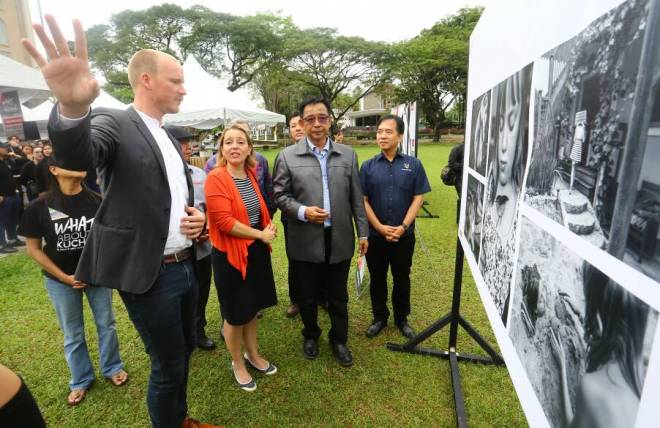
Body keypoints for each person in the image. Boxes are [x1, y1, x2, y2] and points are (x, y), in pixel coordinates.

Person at [23, 16, 217, 428]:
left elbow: (171, 194)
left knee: (182, 354)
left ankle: (180, 419)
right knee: (167, 366)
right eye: (176, 80)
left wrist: (196, 215)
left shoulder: (166, 135)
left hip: (186, 264)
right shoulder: (114, 122)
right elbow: (77, 159)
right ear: (145, 80)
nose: (184, 88)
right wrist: (73, 109)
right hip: (150, 275)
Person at [17, 155, 129, 406]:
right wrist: (64, 277)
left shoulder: (98, 201)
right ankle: (80, 379)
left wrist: (98, 269)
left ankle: (112, 367)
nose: (81, 165)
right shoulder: (39, 206)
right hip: (60, 282)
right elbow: (33, 248)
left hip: (97, 277)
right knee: (72, 332)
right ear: (54, 169)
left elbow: (110, 240)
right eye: (71, 161)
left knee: (107, 324)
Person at [273, 96, 368, 367]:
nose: (317, 124)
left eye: (322, 118)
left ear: (330, 120)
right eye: (310, 119)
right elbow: (280, 195)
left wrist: (363, 233)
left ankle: (339, 339)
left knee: (338, 296)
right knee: (308, 295)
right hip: (305, 238)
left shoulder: (347, 155)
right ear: (302, 123)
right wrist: (303, 211)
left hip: (339, 238)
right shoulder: (287, 157)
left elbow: (356, 197)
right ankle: (310, 334)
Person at [205, 125, 278, 392]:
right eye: (228, 142)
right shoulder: (216, 177)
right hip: (230, 257)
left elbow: (257, 211)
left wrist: (267, 227)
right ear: (222, 149)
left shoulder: (249, 175)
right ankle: (237, 363)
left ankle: (253, 354)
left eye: (240, 142)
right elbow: (224, 222)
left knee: (252, 309)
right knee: (236, 315)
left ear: (249, 148)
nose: (234, 146)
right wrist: (260, 234)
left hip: (255, 252)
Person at [550, 266, 651, 428]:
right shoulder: (645, 368)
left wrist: (561, 365)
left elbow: (568, 424)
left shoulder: (593, 388)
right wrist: (583, 317)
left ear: (598, 320)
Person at [359, 115, 431, 339]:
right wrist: (379, 227)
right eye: (379, 131)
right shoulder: (368, 166)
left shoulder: (413, 165)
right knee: (377, 277)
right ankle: (379, 317)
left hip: (404, 235)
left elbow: (418, 198)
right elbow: (363, 200)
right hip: (376, 235)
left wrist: (403, 226)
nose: (382, 135)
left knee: (402, 277)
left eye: (388, 132)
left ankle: (402, 318)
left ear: (400, 136)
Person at [479, 69, 529, 322]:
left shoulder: (525, 204)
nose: (504, 143)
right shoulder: (489, 180)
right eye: (499, 125)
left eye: (512, 124)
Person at [165, 125, 216, 351]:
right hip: (175, 250)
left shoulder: (200, 175)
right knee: (176, 294)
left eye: (189, 142)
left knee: (202, 287)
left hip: (202, 246)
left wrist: (205, 225)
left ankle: (198, 330)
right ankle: (180, 335)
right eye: (182, 142)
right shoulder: (162, 175)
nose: (188, 147)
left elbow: (210, 207)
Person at [204, 121, 276, 216]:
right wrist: (259, 232)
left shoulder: (259, 162)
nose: (235, 146)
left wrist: (269, 211)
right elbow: (222, 218)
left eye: (241, 140)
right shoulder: (212, 166)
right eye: (230, 141)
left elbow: (268, 187)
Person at [281, 113, 306, 318]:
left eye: (300, 124)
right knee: (296, 259)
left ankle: (321, 296)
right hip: (293, 219)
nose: (297, 128)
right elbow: (280, 192)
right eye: (292, 126)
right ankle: (296, 300)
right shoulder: (285, 156)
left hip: (321, 217)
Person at [0, 142, 21, 253]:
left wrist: (13, 156)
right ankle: (2, 245)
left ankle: (12, 239)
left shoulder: (5, 161)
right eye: (3, 147)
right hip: (3, 197)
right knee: (2, 221)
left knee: (12, 219)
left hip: (13, 194)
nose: (6, 149)